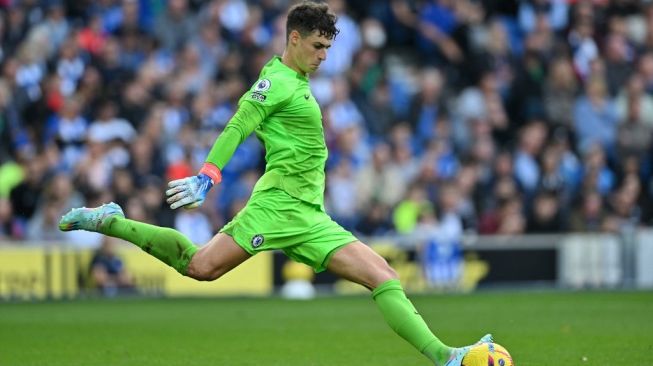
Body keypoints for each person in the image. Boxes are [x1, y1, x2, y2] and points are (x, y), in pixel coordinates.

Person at [59, 2, 490, 365]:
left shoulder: (298, 81)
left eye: (328, 48)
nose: (324, 56)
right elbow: (238, 125)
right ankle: (111, 222)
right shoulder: (276, 82)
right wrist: (209, 173)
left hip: (309, 214)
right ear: (295, 39)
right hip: (277, 205)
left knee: (383, 276)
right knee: (200, 267)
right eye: (318, 46)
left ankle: (447, 357)